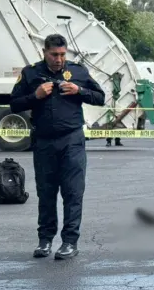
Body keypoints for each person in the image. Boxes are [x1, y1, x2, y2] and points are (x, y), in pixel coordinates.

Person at [10, 33, 106, 260]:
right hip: (44, 141)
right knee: (46, 193)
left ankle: (70, 242)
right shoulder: (31, 73)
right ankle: (45, 241)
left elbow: (100, 97)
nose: (59, 59)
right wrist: (35, 95)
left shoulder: (78, 71)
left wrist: (79, 91)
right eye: (54, 54)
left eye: (63, 54)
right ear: (45, 52)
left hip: (72, 140)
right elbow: (14, 104)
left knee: (73, 193)